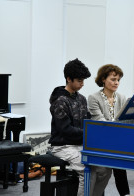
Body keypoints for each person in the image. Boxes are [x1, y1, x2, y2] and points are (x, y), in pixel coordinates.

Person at [48, 58, 91, 196]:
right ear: (68, 79)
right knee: (86, 170)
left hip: (79, 144)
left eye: (83, 80)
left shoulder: (82, 99)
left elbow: (88, 121)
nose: (82, 84)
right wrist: (88, 134)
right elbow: (65, 130)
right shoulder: (60, 101)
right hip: (62, 146)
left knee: (101, 167)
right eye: (79, 80)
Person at [88, 64, 130, 196]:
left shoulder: (122, 98)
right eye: (113, 79)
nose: (116, 82)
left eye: (118, 80)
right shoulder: (93, 98)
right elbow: (100, 122)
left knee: (121, 172)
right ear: (103, 80)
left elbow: (125, 121)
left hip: (117, 142)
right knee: (103, 174)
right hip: (101, 142)